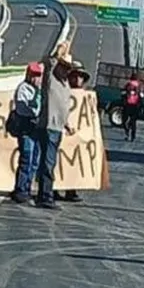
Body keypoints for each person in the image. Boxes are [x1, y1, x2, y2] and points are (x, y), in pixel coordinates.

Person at [34, 43, 74, 209]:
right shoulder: (51, 80)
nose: (65, 71)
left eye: (67, 68)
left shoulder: (65, 85)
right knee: (48, 163)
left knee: (49, 162)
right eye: (63, 67)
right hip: (49, 127)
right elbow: (48, 62)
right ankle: (45, 196)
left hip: (58, 128)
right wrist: (58, 54)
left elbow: (62, 107)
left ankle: (46, 193)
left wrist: (67, 124)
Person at [55, 61, 91, 203]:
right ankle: (55, 188)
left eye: (80, 77)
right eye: (74, 76)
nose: (77, 80)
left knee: (75, 161)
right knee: (59, 161)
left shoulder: (86, 96)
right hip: (62, 132)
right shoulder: (62, 92)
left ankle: (72, 190)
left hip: (77, 135)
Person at [8, 63, 43, 203]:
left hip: (36, 130)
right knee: (26, 160)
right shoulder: (23, 89)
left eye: (38, 75)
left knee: (34, 161)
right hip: (26, 128)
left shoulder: (39, 90)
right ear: (28, 75)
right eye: (34, 75)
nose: (36, 78)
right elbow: (24, 109)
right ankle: (20, 189)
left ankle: (27, 187)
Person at [121, 71, 141, 141]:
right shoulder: (139, 86)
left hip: (127, 105)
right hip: (135, 106)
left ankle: (127, 133)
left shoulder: (128, 84)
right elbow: (141, 96)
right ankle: (133, 136)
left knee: (124, 120)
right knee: (133, 122)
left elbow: (122, 93)